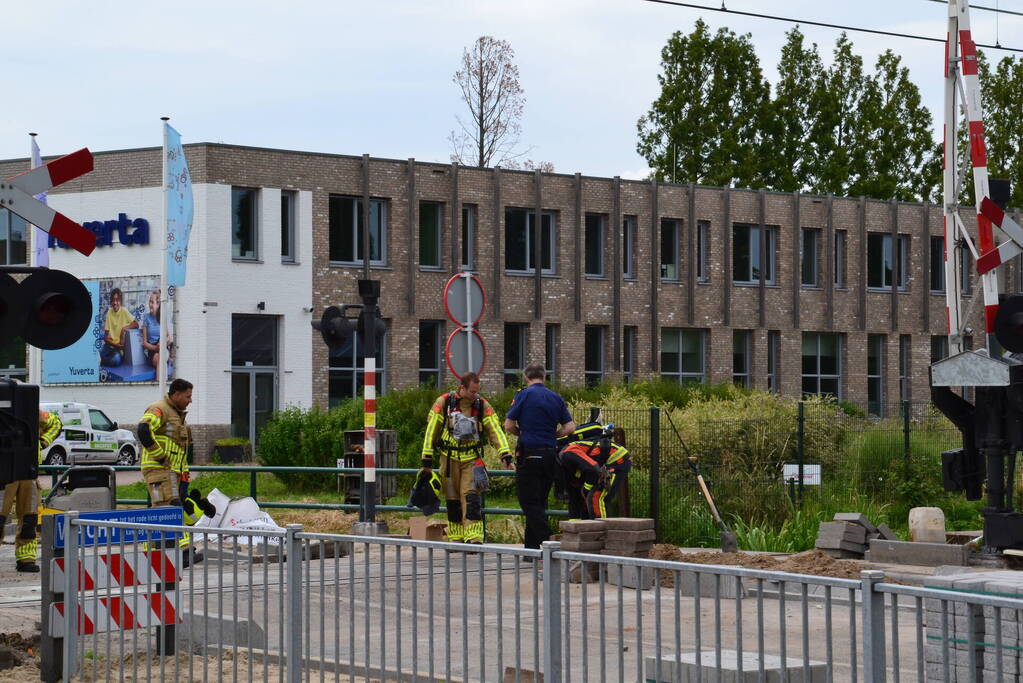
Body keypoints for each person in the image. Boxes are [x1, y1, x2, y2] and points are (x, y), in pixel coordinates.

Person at [421, 372, 511, 545]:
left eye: (477, 391)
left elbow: (495, 430)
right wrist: (426, 458)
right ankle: (456, 536)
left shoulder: (481, 405)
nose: (475, 395)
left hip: (472, 459)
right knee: (452, 498)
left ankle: (474, 537)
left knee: (471, 497)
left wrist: (505, 453)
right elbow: (431, 430)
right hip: (448, 460)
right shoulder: (444, 402)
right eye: (472, 391)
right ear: (462, 388)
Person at [503, 364, 576, 550]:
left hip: (529, 453)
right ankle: (532, 550)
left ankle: (549, 539)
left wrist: (521, 433)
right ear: (544, 377)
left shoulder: (523, 395)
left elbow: (508, 425)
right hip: (550, 454)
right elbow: (570, 427)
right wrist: (554, 435)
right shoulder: (555, 397)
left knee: (528, 501)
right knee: (539, 502)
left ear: (526, 377)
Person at [0, 408, 62, 572]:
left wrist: (43, 442)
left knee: (29, 519)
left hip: (29, 472)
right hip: (4, 473)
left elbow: (56, 423)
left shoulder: (32, 410)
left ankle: (26, 559)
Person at [558, 424, 631, 520]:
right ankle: (588, 526)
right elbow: (574, 496)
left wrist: (586, 489)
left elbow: (593, 469)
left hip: (617, 460)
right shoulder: (562, 467)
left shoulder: (568, 452)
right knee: (584, 496)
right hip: (603, 465)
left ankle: (600, 528)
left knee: (595, 495)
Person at [138, 378, 192, 508]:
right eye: (188, 396)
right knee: (168, 510)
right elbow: (144, 429)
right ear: (177, 394)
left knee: (172, 511)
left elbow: (179, 448)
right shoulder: (159, 408)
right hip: (159, 471)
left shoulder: (177, 415)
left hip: (172, 472)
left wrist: (184, 473)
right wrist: (161, 457)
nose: (190, 400)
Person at [100, 287, 139, 367]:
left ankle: (102, 361)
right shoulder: (109, 313)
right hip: (109, 346)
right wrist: (114, 344)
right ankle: (102, 360)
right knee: (96, 356)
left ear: (120, 301)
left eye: (117, 300)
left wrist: (123, 329)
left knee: (116, 360)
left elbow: (136, 324)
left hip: (118, 349)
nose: (115, 303)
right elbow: (105, 338)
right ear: (111, 301)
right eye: (113, 300)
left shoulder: (124, 311)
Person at [141, 289, 173, 370]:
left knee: (163, 356)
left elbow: (169, 337)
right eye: (150, 302)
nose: (150, 304)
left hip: (163, 348)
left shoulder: (163, 318)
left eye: (153, 302)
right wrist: (156, 348)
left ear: (159, 304)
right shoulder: (146, 317)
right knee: (160, 360)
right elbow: (144, 343)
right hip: (153, 352)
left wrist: (163, 343)